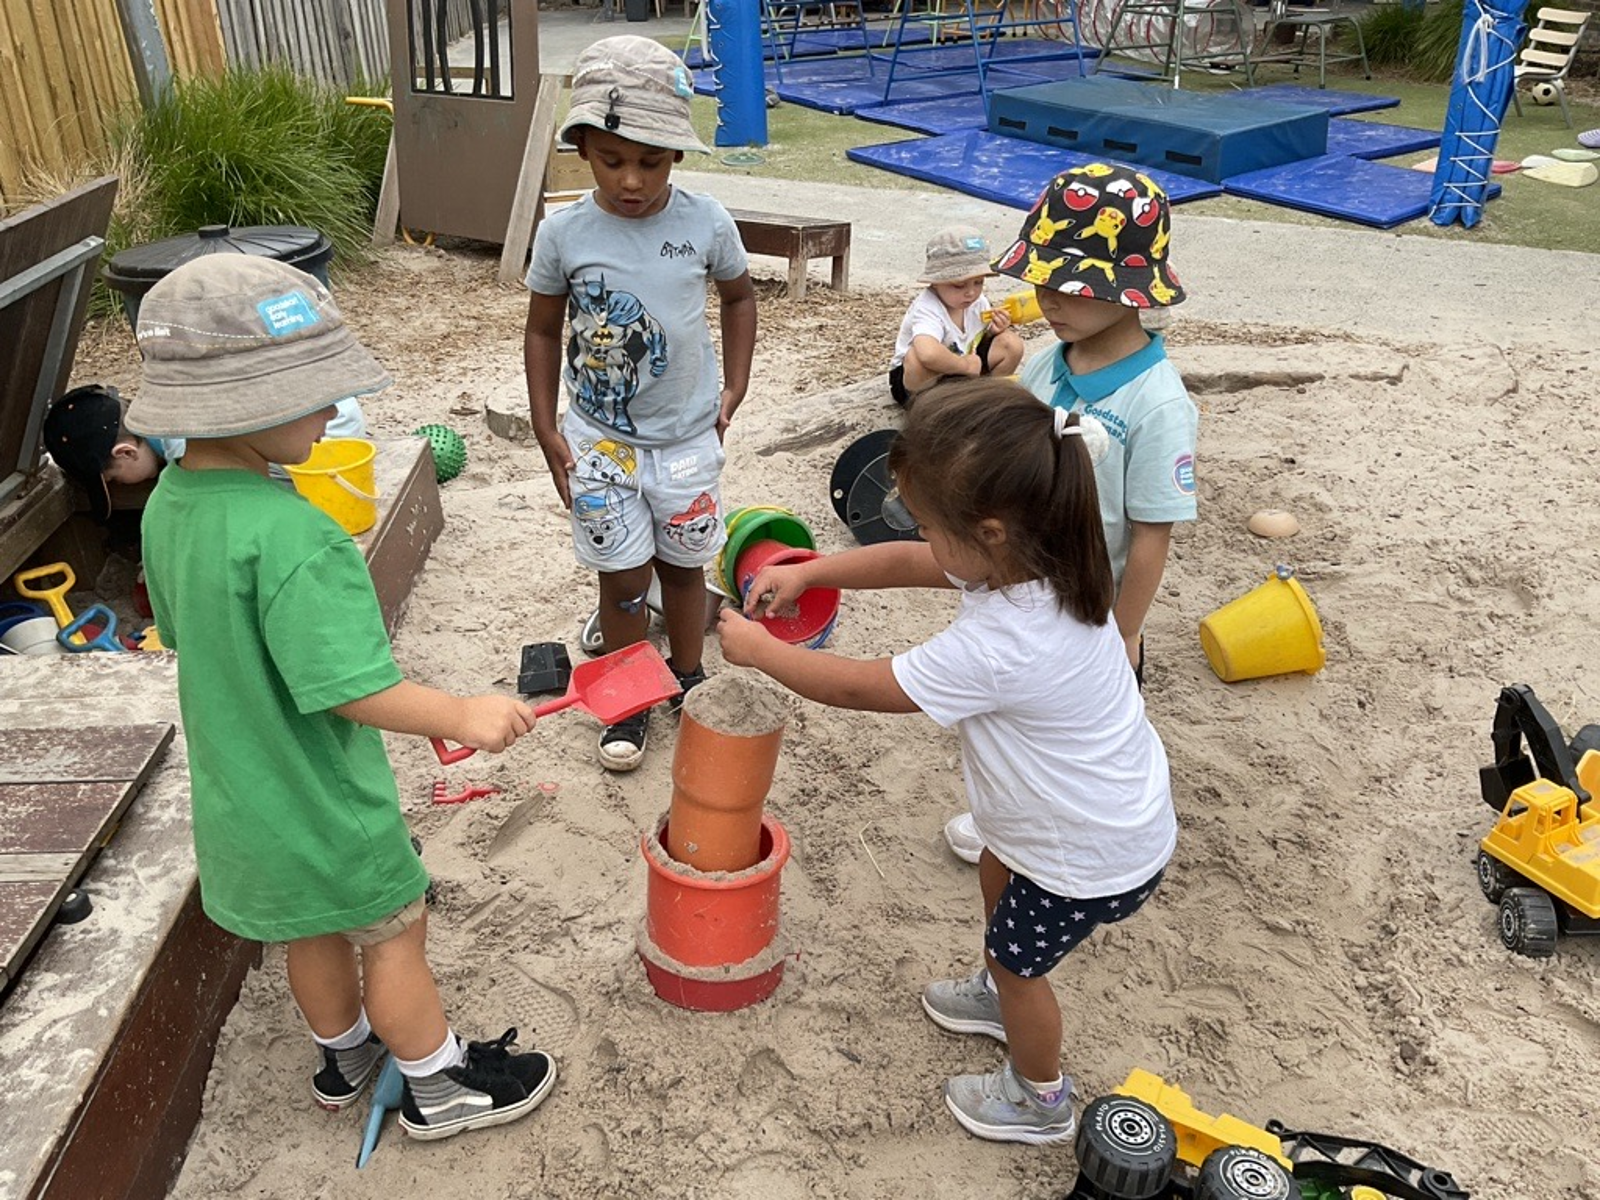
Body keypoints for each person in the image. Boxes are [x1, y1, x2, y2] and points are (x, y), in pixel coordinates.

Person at [130, 255, 556, 1141]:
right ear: (246, 402)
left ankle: (346, 1054)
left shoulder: (168, 505)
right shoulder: (297, 537)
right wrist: (463, 713)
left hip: (243, 800)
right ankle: (440, 1086)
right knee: (394, 935)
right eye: (318, 394)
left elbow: (178, 628)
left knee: (310, 935)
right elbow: (356, 689)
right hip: (326, 801)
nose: (335, 412)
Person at [718, 380, 1176, 1145]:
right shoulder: (1044, 555)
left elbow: (865, 687)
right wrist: (811, 570)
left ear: (990, 530)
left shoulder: (1005, 645)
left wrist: (762, 653)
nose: (923, 538)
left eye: (931, 523)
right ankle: (999, 997)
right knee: (997, 864)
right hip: (1082, 814)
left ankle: (1040, 1099)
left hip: (1090, 853)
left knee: (1022, 965)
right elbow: (908, 560)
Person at [944, 161, 1197, 865]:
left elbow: (1151, 537)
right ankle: (1008, 823)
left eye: (1072, 285)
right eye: (1042, 278)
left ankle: (1075, 845)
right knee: (1016, 723)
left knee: (1081, 745)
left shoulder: (1157, 404)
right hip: (1028, 590)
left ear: (1131, 291)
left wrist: (1124, 632)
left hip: (1095, 612)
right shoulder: (1047, 366)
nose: (1049, 298)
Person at [524, 34, 756, 773]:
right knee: (623, 579)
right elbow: (541, 328)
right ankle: (627, 696)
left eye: (650, 162)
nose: (631, 180)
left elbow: (741, 297)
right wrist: (541, 421)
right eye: (611, 159)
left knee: (685, 569)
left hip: (689, 439)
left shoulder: (705, 223)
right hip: (599, 442)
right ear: (583, 147)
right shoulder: (563, 234)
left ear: (677, 155)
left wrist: (737, 384)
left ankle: (685, 675)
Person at [44, 381, 366, 522]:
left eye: (113, 479)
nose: (121, 487)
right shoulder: (165, 400)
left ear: (126, 452)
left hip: (325, 440)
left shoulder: (187, 450)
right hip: (335, 407)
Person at [888, 226, 1024, 408]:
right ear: (936, 282)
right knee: (916, 359)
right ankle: (929, 407)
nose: (971, 292)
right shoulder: (928, 307)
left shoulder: (978, 302)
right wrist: (965, 366)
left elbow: (975, 340)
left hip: (963, 365)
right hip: (921, 380)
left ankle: (985, 397)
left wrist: (992, 332)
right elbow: (927, 353)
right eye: (959, 285)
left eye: (979, 282)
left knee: (1010, 343)